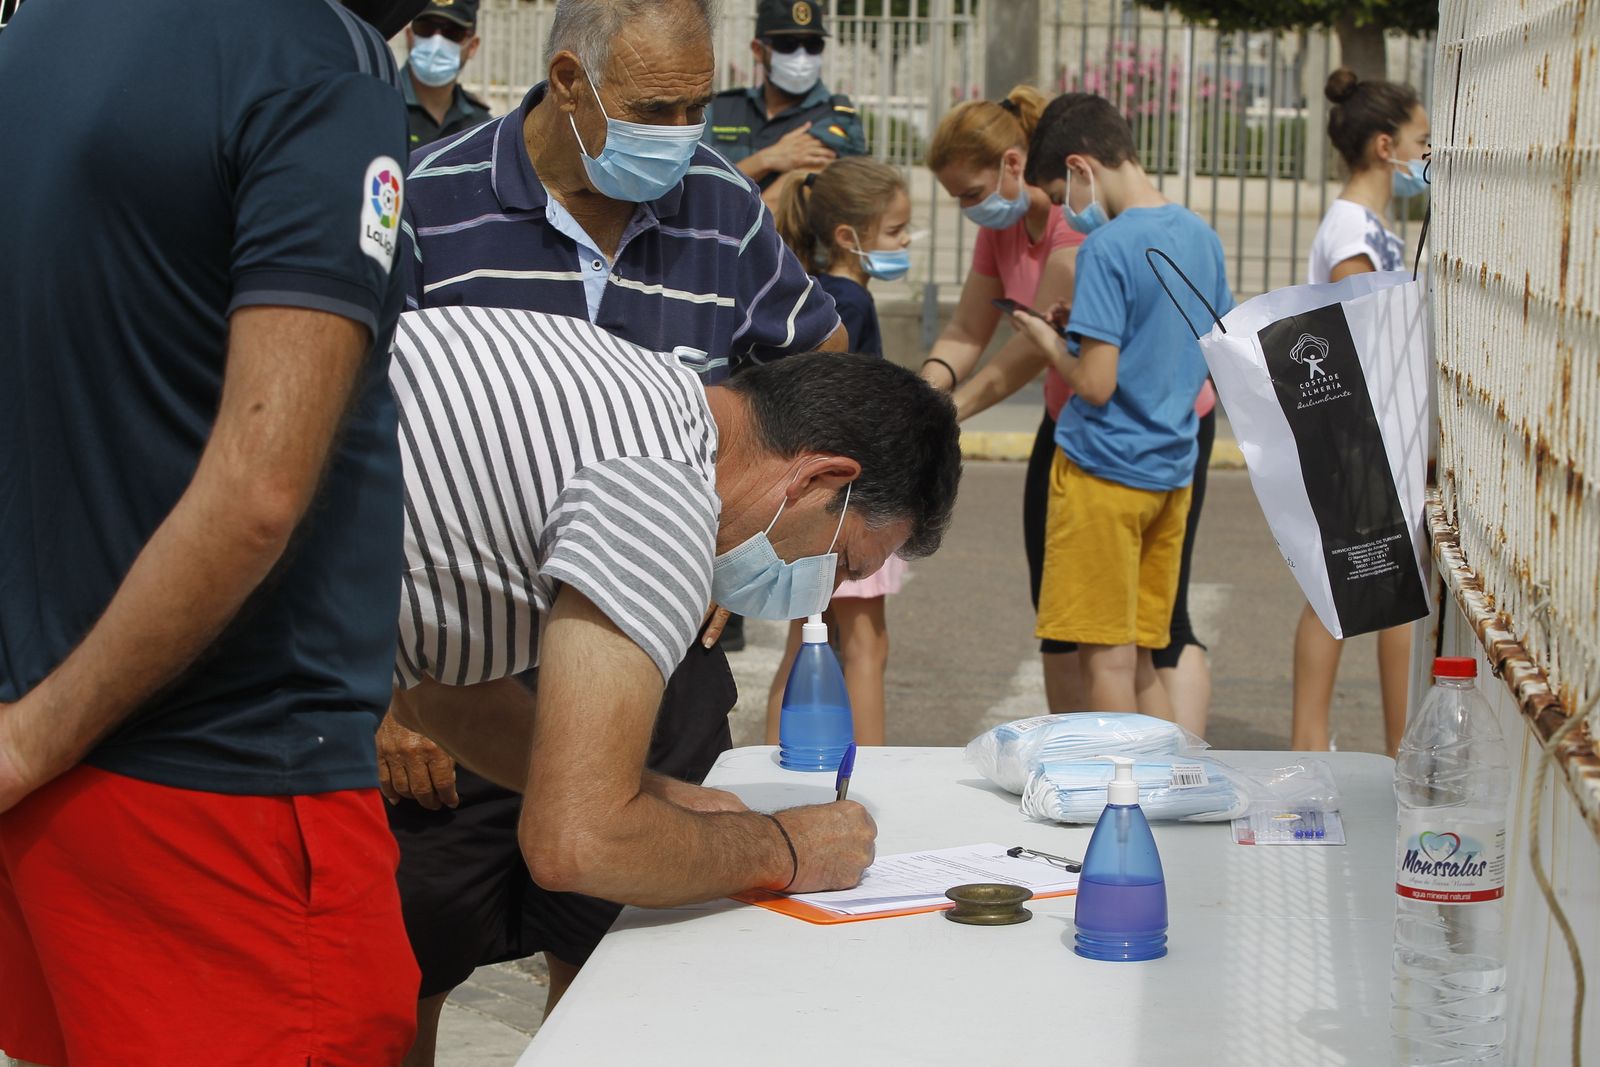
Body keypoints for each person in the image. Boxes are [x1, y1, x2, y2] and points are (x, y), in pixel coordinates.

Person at [384, 0, 848, 1057]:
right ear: (565, 80)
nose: (681, 131)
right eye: (654, 107)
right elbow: (345, 434)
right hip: (456, 663)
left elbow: (815, 378)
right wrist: (387, 682)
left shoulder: (723, 212)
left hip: (655, 655)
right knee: (406, 960)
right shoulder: (427, 201)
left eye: (695, 103)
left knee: (621, 962)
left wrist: (742, 548)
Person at [0, 0, 426, 1063]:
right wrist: (29, 734)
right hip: (228, 798)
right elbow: (259, 486)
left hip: (61, 796)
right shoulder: (317, 57)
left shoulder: (43, 32)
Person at [385, 304, 961, 981]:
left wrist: (659, 794)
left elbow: (442, 691)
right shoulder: (666, 491)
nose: (826, 593)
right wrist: (787, 848)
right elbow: (577, 841)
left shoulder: (645, 399)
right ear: (817, 480)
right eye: (842, 563)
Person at [1010, 93, 1233, 725]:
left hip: (1103, 472)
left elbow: (1097, 385)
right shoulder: (1201, 236)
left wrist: (1051, 342)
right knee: (1141, 660)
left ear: (1081, 168)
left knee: (1102, 661)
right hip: (1171, 472)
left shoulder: (1105, 249)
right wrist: (1083, 329)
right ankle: (1161, 786)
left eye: (1061, 195)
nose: (1066, 211)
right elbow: (1204, 345)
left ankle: (1119, 800)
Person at [917, 86, 1087, 711]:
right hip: (1064, 413)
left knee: (1123, 621)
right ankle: (1071, 748)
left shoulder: (1073, 218)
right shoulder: (1005, 226)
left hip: (1115, 421)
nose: (968, 211)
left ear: (1013, 163)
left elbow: (1032, 348)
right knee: (1055, 608)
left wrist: (946, 412)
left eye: (970, 194)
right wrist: (917, 395)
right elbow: (966, 332)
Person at [1293, 69, 1431, 756]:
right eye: (1421, 141)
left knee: (1383, 589)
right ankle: (1311, 748)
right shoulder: (1351, 225)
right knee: (1342, 590)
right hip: (1356, 430)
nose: (1427, 157)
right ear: (1385, 145)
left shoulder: (1371, 223)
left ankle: (1395, 745)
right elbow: (1361, 319)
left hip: (1376, 428)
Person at [764, 158, 913, 746]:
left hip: (821, 500)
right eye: (897, 231)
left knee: (804, 640)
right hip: (852, 502)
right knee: (864, 645)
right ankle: (875, 780)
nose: (906, 242)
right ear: (850, 237)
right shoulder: (850, 301)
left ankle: (769, 764)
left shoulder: (816, 293)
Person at [704, 0, 867, 198]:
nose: (802, 56)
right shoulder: (720, 109)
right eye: (787, 44)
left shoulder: (836, 120)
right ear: (757, 50)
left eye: (813, 45)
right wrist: (766, 159)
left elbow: (793, 196)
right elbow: (694, 186)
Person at [402, 0, 491, 153]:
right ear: (410, 37)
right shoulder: (378, 106)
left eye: (452, 32)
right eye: (426, 28)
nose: (437, 42)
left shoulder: (480, 125)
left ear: (472, 46)